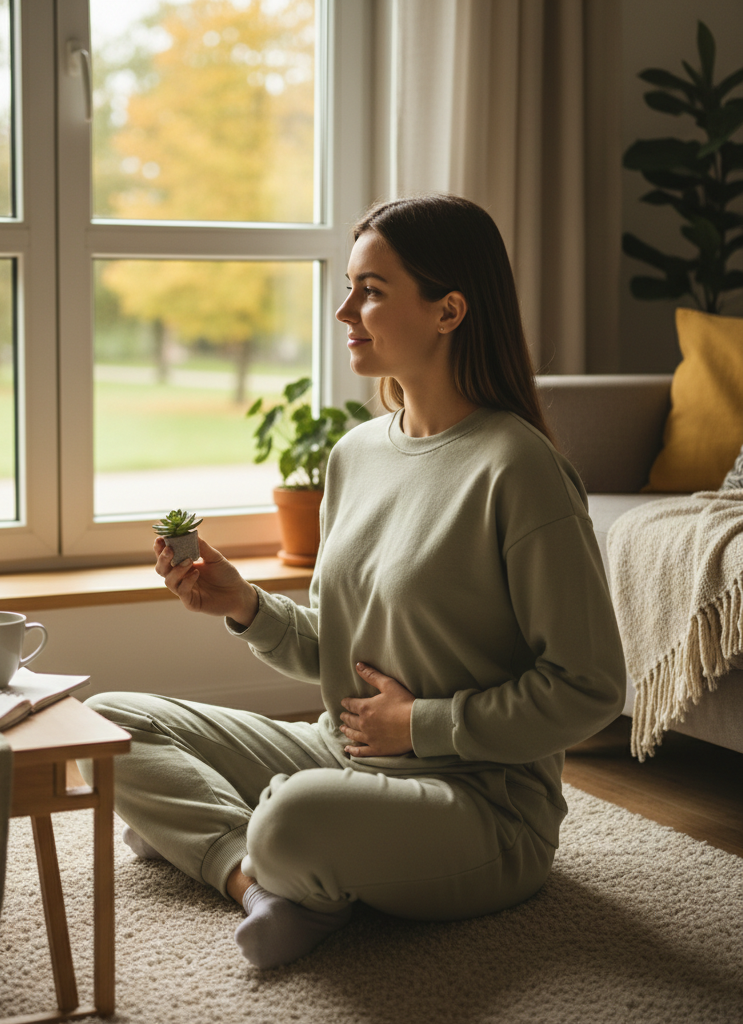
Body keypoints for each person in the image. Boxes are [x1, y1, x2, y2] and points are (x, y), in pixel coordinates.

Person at [78, 193, 626, 970]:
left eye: (371, 290)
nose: (344, 310)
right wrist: (243, 606)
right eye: (348, 286)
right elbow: (342, 654)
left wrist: (422, 726)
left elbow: (591, 686)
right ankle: (253, 879)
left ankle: (241, 843)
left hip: (481, 806)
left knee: (291, 816)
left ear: (450, 310)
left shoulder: (520, 467)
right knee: (105, 724)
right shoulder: (356, 454)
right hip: (341, 753)